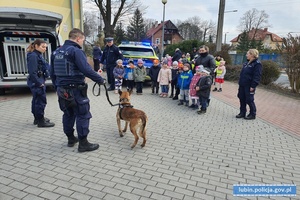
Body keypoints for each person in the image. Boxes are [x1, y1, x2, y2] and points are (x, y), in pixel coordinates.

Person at [50, 28, 105, 152]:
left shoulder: (56, 52)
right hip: (76, 90)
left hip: (62, 90)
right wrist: (100, 79)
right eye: (83, 40)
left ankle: (70, 139)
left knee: (68, 113)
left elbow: (52, 73)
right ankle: (83, 143)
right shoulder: (76, 51)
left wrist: (56, 87)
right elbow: (86, 69)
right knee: (83, 115)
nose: (82, 43)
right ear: (78, 38)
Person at [26, 39, 55, 128]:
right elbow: (32, 72)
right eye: (43, 47)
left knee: (36, 100)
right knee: (40, 101)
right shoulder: (33, 56)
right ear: (36, 46)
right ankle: (41, 121)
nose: (45, 49)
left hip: (39, 80)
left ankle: (37, 118)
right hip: (37, 82)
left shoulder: (37, 55)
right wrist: (39, 83)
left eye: (45, 47)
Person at [236, 49, 262, 120]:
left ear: (252, 55)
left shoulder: (257, 64)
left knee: (249, 100)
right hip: (242, 84)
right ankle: (242, 112)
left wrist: (253, 86)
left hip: (249, 85)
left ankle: (252, 114)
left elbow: (257, 76)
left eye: (248, 54)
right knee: (241, 97)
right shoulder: (246, 63)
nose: (246, 55)